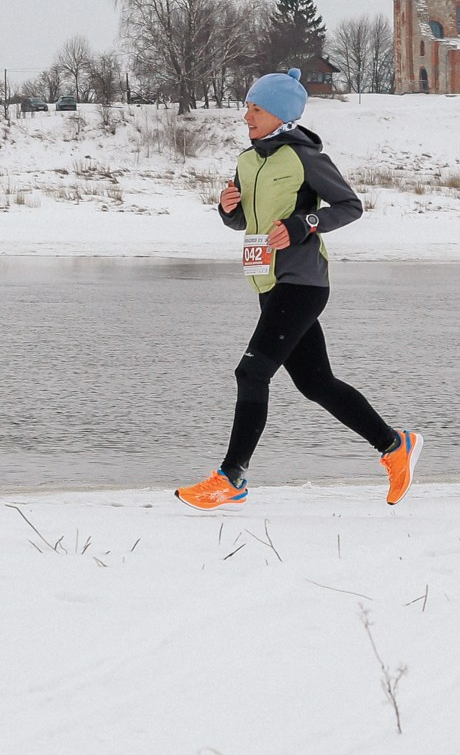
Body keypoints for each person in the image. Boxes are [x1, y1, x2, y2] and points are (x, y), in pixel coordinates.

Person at [175, 68, 420, 510]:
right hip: (269, 283)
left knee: (251, 372)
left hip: (303, 282)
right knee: (316, 383)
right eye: (247, 107)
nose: (247, 116)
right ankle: (394, 445)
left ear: (281, 115)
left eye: (256, 109)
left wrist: (305, 222)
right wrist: (227, 209)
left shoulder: (305, 157)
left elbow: (350, 206)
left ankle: (232, 477)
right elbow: (244, 223)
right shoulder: (247, 161)